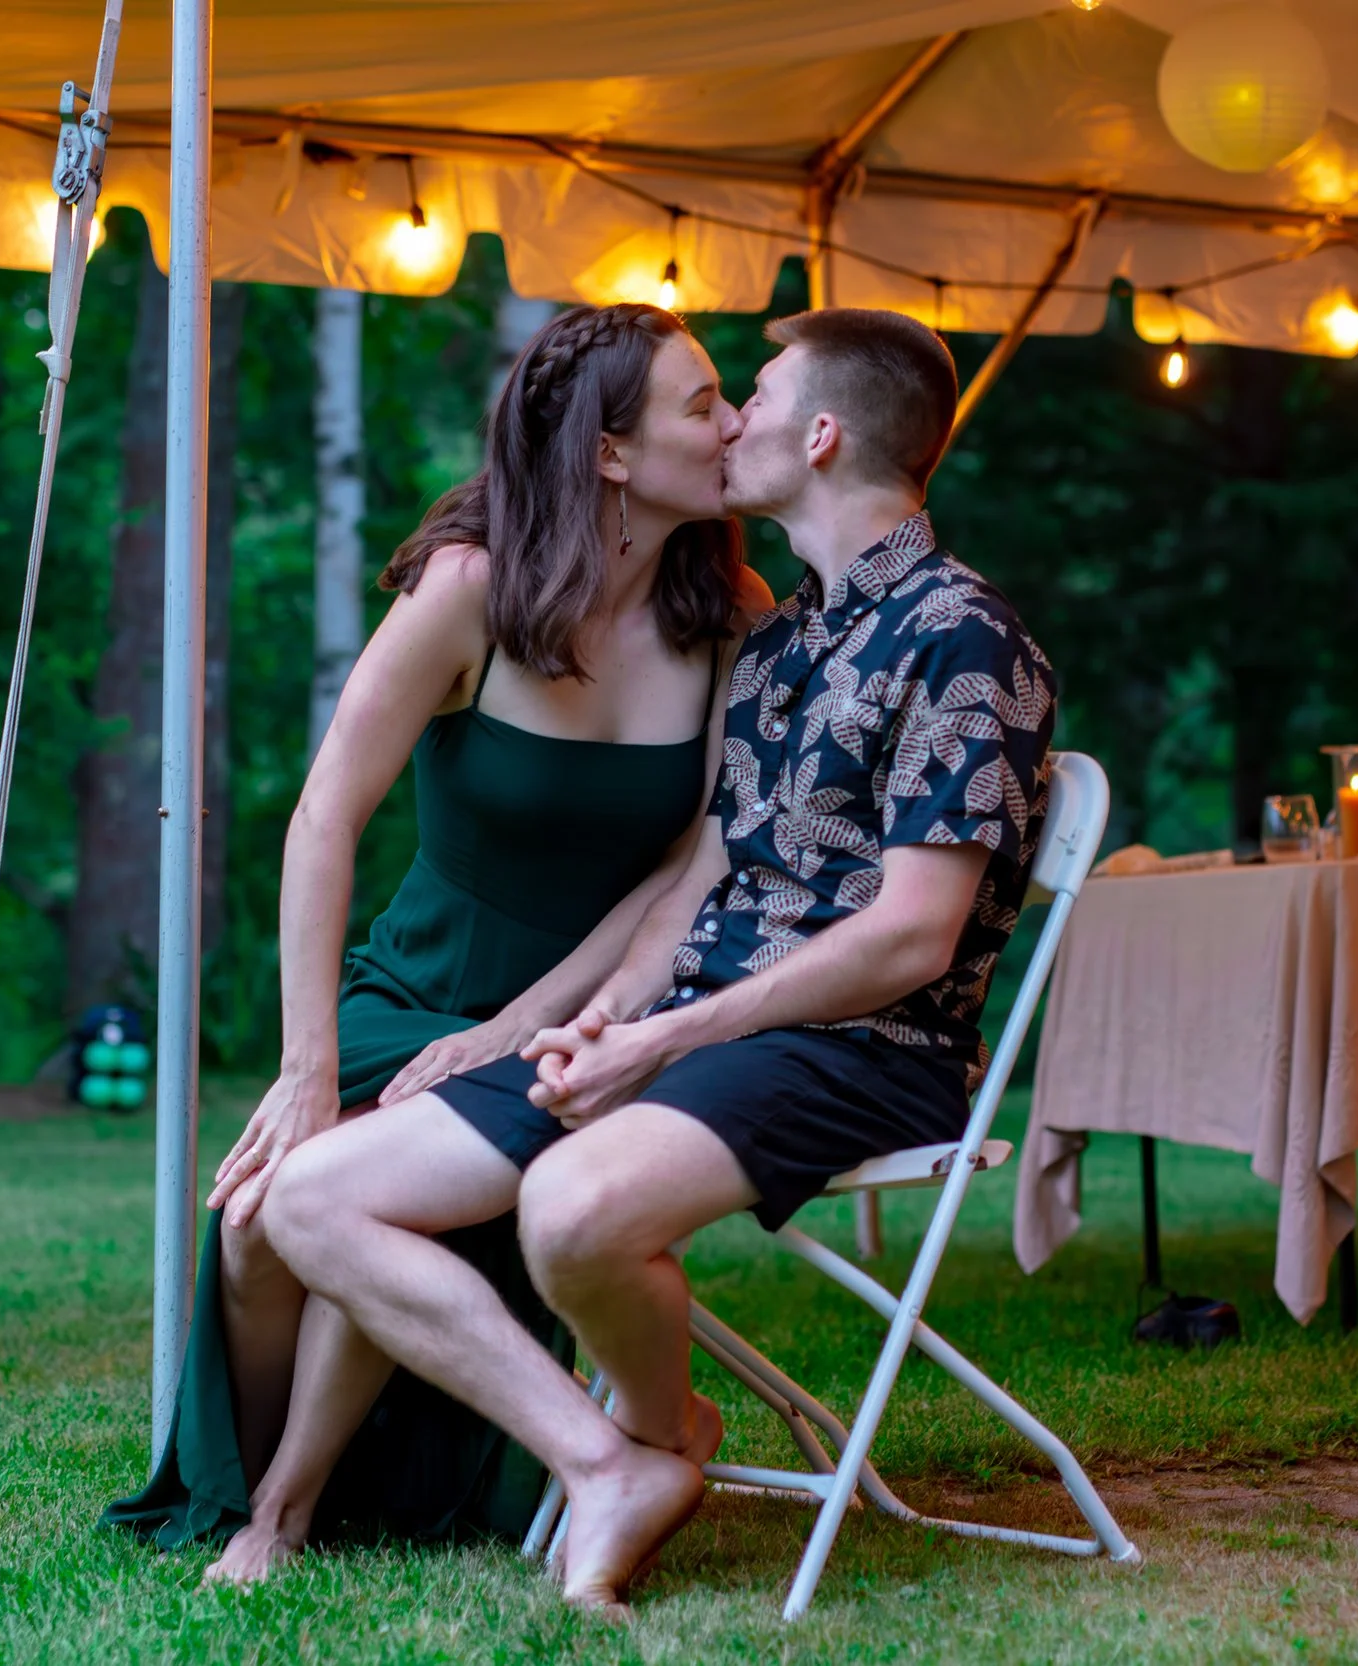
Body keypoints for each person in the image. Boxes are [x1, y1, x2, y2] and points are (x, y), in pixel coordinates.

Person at [260, 307, 1058, 1615]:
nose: (734, 418)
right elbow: (698, 877)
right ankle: (615, 1459)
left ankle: (637, 1445)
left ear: (820, 435)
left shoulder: (962, 638)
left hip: (863, 1046)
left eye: (754, 394)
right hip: (697, 1025)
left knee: (569, 1209)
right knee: (310, 1198)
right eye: (716, 399)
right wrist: (598, 1018)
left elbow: (912, 938)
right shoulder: (782, 640)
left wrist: (665, 1034)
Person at [101, 303, 773, 1569]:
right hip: (414, 985)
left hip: (591, 1018)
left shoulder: (731, 612)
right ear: (611, 453)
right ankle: (261, 1487)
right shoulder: (472, 586)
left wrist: (519, 1026)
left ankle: (287, 1509)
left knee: (375, 1193)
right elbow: (324, 815)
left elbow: (689, 866)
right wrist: (306, 1070)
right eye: (703, 404)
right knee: (254, 1225)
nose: (736, 423)